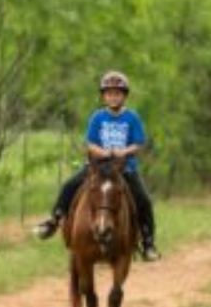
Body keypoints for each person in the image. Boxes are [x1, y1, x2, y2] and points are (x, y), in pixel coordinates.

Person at [33, 70, 160, 260]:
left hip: (124, 168)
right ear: (103, 97)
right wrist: (104, 152)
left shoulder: (132, 118)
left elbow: (139, 143)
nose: (113, 97)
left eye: (117, 93)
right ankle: (54, 220)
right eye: (109, 93)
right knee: (69, 185)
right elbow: (90, 143)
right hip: (97, 167)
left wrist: (123, 152)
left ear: (124, 96)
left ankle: (148, 242)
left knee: (144, 200)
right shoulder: (97, 117)